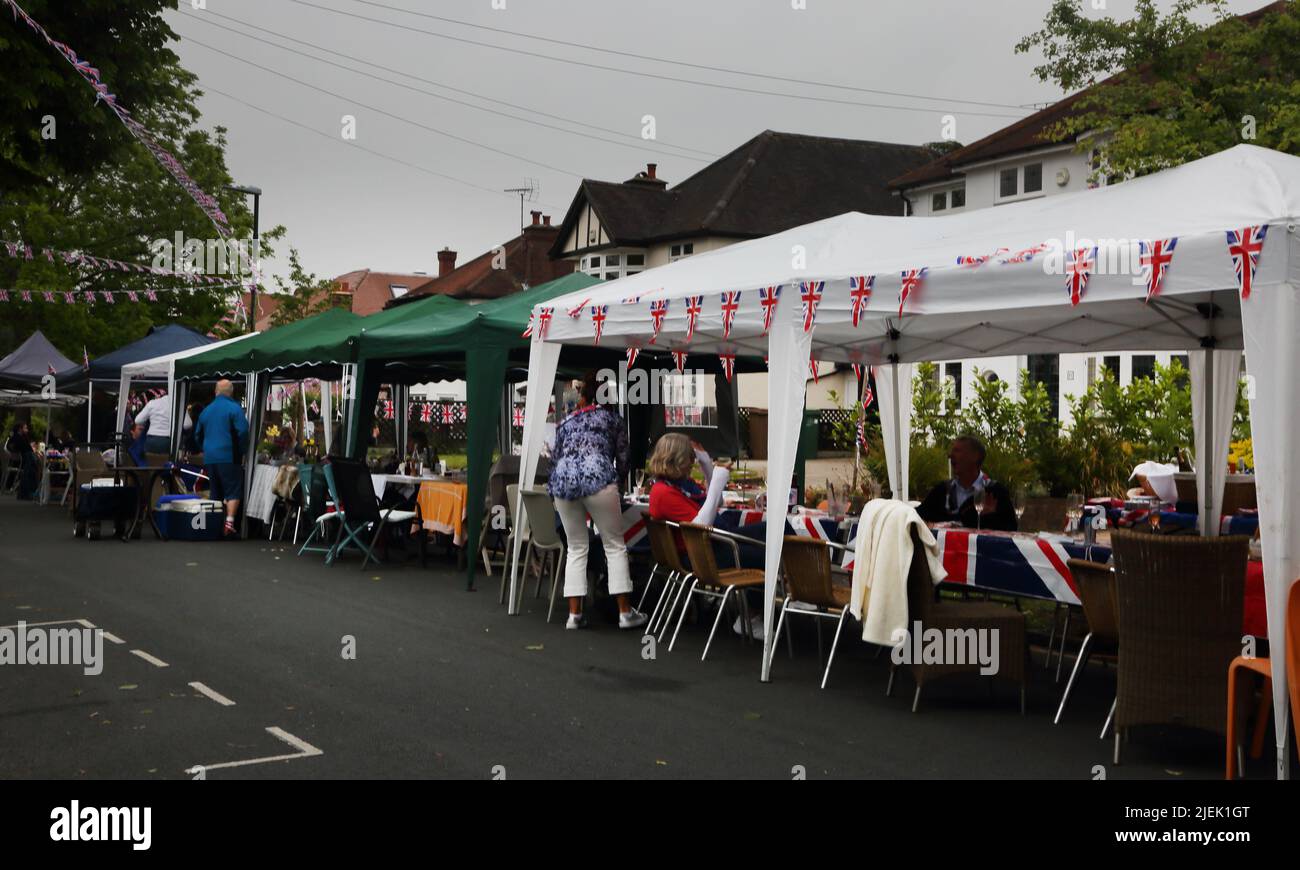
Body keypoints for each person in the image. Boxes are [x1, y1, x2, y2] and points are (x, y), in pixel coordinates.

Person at [548, 371, 647, 631]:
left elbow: (555, 458)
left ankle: (574, 616)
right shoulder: (613, 419)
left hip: (565, 481)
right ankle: (625, 613)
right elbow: (624, 457)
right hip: (598, 478)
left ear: (582, 396)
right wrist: (620, 483)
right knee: (614, 545)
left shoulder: (566, 423)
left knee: (576, 547)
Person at [916, 435, 1018, 531]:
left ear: (975, 457)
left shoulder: (995, 492)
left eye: (957, 451)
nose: (950, 455)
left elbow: (1012, 531)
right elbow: (916, 517)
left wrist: (989, 518)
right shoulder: (941, 491)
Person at [193, 379, 250, 537]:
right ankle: (229, 523)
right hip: (229, 455)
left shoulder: (206, 410)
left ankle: (214, 525)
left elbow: (197, 434)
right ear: (231, 392)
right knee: (233, 491)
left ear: (215, 391)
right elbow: (243, 431)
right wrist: (243, 449)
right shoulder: (234, 409)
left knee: (215, 492)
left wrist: (204, 448)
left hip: (210, 457)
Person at [133, 390, 190, 456]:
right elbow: (187, 425)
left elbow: (138, 420)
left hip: (152, 440)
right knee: (168, 464)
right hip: (170, 441)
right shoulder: (179, 404)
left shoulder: (152, 403)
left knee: (152, 464)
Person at [6, 422, 38, 500]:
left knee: (35, 464)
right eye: (25, 428)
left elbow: (10, 446)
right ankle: (31, 491)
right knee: (35, 467)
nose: (27, 430)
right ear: (20, 429)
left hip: (22, 460)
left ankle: (31, 492)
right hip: (25, 461)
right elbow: (27, 449)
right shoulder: (19, 438)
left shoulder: (15, 437)